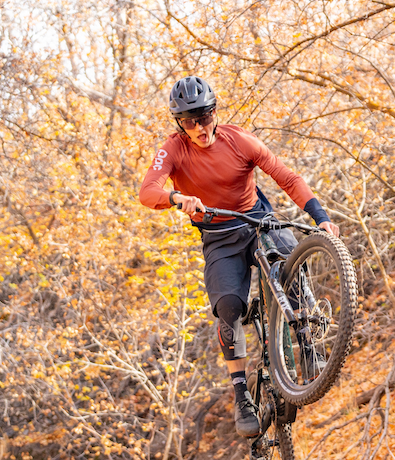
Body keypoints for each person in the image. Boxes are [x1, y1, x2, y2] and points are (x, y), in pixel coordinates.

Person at [138, 76, 339, 438]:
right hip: (219, 236)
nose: (199, 127)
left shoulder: (239, 139)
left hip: (257, 219)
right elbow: (147, 190)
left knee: (287, 260)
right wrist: (175, 198)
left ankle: (308, 343)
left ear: (215, 111)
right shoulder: (173, 149)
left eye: (204, 116)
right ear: (179, 124)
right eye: (189, 121)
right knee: (229, 306)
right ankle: (242, 394)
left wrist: (321, 218)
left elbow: (287, 177)